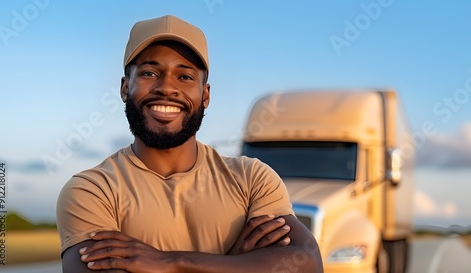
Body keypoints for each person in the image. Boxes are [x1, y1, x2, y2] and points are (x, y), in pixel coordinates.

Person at [56, 15, 323, 273]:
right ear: (125, 88)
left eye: (185, 77)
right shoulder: (92, 191)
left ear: (205, 95)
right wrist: (235, 263)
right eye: (149, 72)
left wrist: (169, 262)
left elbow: (307, 262)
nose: (167, 88)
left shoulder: (252, 178)